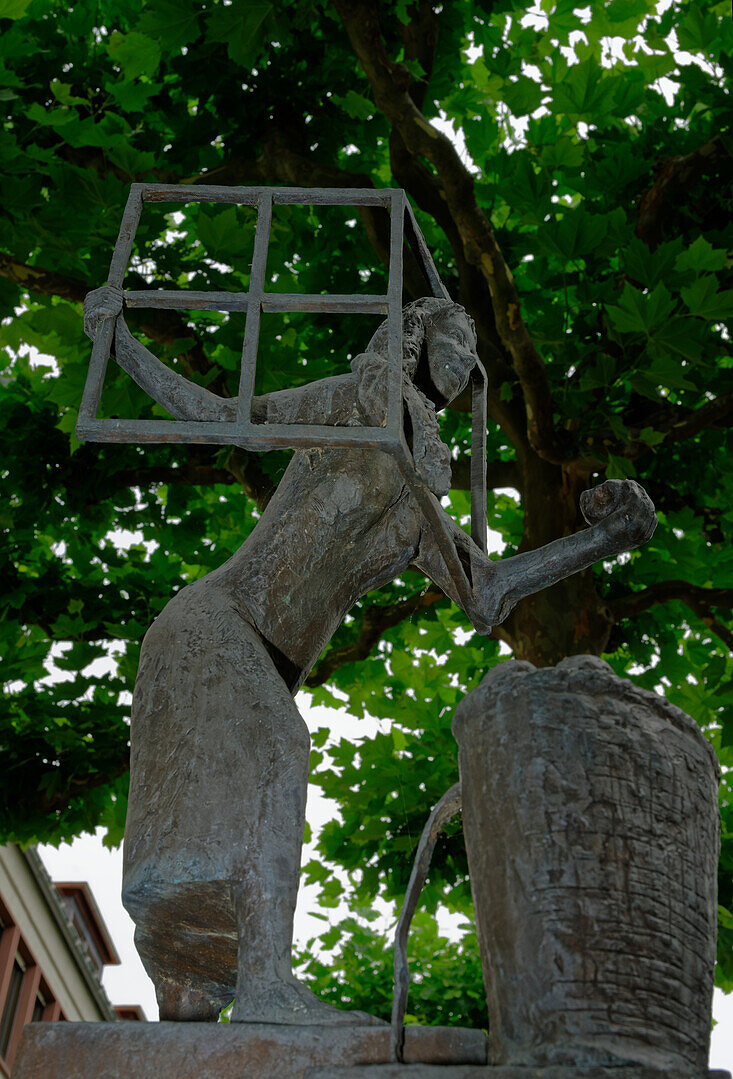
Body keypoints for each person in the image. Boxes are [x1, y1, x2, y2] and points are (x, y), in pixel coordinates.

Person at [82, 288, 657, 1025]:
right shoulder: (353, 406)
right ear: (412, 340)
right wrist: (118, 341)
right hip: (215, 627)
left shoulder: (420, 497)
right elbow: (222, 415)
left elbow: (488, 596)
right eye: (450, 342)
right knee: (279, 752)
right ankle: (267, 988)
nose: (460, 361)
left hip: (264, 662)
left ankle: (207, 1012)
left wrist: (603, 541)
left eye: (469, 355)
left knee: (194, 991)